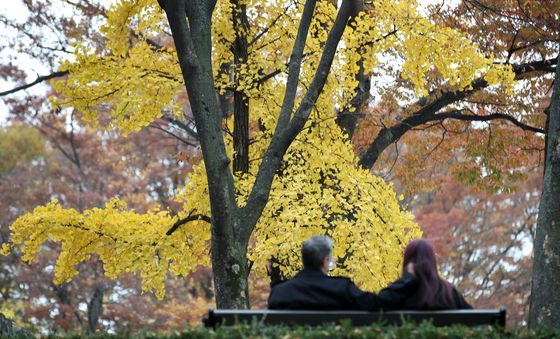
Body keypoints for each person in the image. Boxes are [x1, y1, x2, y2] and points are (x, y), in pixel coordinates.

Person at [267, 235, 418, 310]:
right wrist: (408, 278)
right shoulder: (341, 289)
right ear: (325, 261)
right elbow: (378, 303)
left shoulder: (280, 292)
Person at [389, 239, 472, 310]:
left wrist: (408, 279)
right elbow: (475, 317)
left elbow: (377, 302)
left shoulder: (399, 292)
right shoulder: (449, 293)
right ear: (432, 262)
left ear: (407, 263)